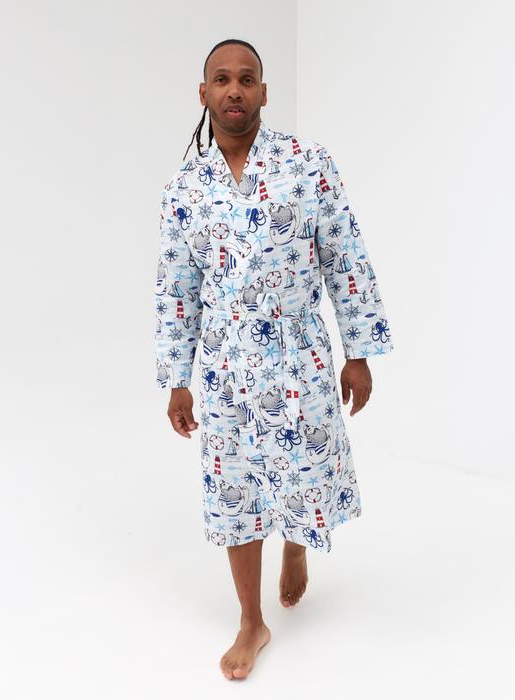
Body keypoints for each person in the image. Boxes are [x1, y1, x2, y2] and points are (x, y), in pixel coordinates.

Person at [153, 38, 394, 681]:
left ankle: (296, 544)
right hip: (225, 365)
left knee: (301, 468)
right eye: (221, 79)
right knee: (235, 489)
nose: (234, 89)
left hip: (298, 353)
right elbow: (177, 289)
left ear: (264, 91)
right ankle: (251, 621)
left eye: (247, 78)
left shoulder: (307, 164)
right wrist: (177, 379)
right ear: (203, 93)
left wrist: (358, 353)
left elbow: (345, 256)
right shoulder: (184, 190)